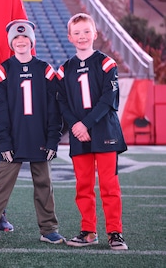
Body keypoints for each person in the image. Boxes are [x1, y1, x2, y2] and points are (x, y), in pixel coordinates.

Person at [0, 20, 65, 246]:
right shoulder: (3, 70)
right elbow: (0, 109)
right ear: (11, 43)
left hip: (40, 137)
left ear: (31, 41)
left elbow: (54, 108)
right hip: (13, 139)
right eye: (16, 38)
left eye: (25, 38)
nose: (21, 41)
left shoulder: (44, 69)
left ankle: (48, 228)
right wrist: (4, 142)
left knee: (44, 185)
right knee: (1, 186)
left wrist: (53, 138)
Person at [57, 13, 128, 250]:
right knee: (83, 186)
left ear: (95, 34)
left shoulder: (106, 63)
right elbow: (62, 102)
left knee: (109, 185)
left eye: (86, 31)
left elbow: (109, 98)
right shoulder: (65, 68)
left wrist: (84, 124)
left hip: (103, 130)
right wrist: (77, 127)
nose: (82, 36)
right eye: (76, 33)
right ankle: (88, 231)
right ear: (69, 37)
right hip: (79, 134)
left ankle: (115, 232)